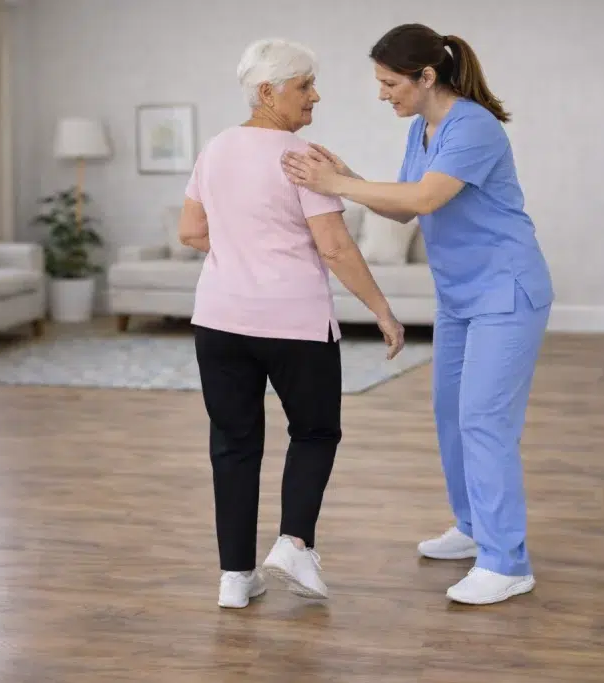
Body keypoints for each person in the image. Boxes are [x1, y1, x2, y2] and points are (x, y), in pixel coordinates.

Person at [281, 23, 554, 606]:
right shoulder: (423, 128)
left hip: (506, 291)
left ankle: (507, 562)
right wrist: (348, 179)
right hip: (460, 296)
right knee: (451, 414)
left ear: (426, 77)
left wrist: (337, 183)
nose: (382, 93)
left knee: (484, 420)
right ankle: (473, 527)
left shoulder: (472, 125)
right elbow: (404, 210)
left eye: (389, 83)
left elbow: (427, 198)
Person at [178, 37, 406, 609]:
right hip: (293, 323)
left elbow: (191, 232)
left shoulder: (215, 149)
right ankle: (294, 543)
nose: (315, 96)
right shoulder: (304, 158)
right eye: (304, 85)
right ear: (266, 91)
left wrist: (242, 252)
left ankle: (235, 577)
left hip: (219, 321)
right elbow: (334, 247)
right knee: (314, 431)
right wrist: (382, 309)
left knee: (233, 444)